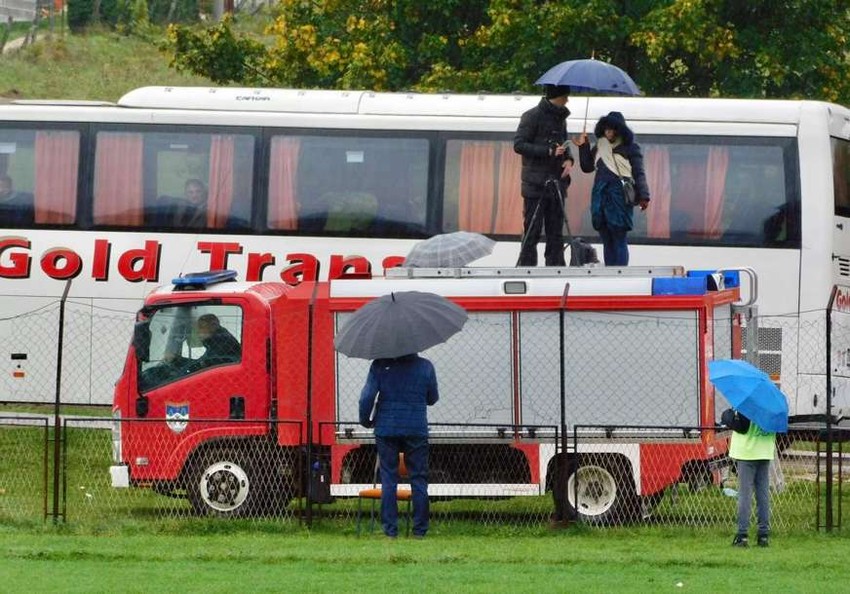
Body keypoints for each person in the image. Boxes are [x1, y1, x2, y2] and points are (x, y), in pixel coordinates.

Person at [359, 353, 439, 539]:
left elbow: (366, 397)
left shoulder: (379, 364)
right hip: (416, 429)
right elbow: (432, 398)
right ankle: (419, 531)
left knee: (389, 479)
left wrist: (365, 420)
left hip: (386, 428)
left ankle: (390, 530)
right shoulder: (426, 366)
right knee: (418, 478)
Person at [575, 111, 650, 266]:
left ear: (619, 130)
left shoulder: (630, 148)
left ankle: (620, 272)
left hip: (619, 195)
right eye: (606, 129)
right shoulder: (600, 146)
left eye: (611, 129)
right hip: (600, 195)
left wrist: (644, 195)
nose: (608, 132)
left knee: (618, 235)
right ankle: (609, 271)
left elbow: (639, 172)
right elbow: (587, 167)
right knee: (606, 236)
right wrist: (584, 146)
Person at [513, 84, 574, 267]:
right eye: (565, 96)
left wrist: (569, 159)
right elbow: (519, 145)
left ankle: (556, 269)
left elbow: (565, 143)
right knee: (532, 231)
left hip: (557, 183)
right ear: (557, 96)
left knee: (556, 232)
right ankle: (527, 269)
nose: (567, 100)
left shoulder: (561, 119)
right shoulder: (531, 116)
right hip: (535, 184)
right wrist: (547, 151)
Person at [729, 413, 776, 548]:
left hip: (746, 452)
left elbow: (740, 426)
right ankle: (763, 535)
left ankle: (742, 534)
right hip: (765, 451)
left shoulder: (747, 406)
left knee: (745, 495)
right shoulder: (771, 407)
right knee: (763, 495)